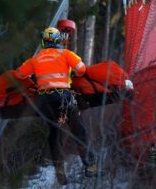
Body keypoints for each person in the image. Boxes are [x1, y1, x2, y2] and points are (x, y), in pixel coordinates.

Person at [16, 27, 96, 185]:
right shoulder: (66, 54)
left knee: (55, 134)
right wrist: (69, 72)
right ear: (58, 40)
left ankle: (60, 171)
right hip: (64, 97)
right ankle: (90, 167)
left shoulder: (36, 58)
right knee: (79, 131)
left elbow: (19, 74)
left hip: (44, 101)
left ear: (44, 41)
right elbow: (82, 69)